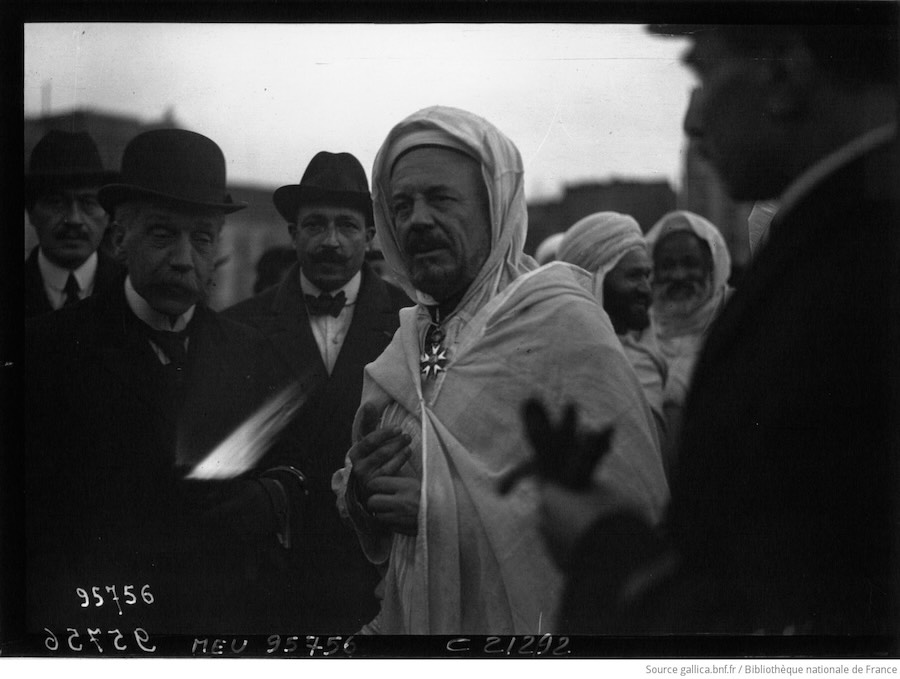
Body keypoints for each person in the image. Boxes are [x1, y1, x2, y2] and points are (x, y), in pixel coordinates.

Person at [530, 21, 899, 642]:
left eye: (702, 74)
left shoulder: (852, 272)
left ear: (784, 74)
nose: (692, 123)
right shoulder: (835, 246)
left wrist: (603, 543)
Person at [331, 105, 669, 635]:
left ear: (496, 207)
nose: (416, 220)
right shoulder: (406, 341)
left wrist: (441, 509)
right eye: (400, 205)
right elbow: (391, 536)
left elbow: (629, 523)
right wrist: (364, 495)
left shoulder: (563, 323)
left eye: (440, 199)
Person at [24, 129, 308, 636]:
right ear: (119, 239)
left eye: (201, 238)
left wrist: (272, 497)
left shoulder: (251, 353)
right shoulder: (48, 352)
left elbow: (293, 469)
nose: (183, 258)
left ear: (217, 247)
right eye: (161, 234)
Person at [225, 150, 409, 632]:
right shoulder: (236, 328)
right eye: (315, 225)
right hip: (273, 583)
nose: (331, 241)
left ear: (370, 236)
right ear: (292, 233)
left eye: (347, 226)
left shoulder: (411, 324)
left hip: (373, 576)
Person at [556, 211, 668, 448]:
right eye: (634, 276)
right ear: (593, 280)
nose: (646, 290)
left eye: (647, 275)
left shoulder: (646, 362)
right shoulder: (558, 362)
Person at [645, 210, 731, 452]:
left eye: (690, 263)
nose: (679, 275)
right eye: (667, 265)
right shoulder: (639, 329)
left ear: (711, 268)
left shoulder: (733, 315)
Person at [24, 130, 123, 319]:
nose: (74, 219)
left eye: (88, 203)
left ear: (107, 215)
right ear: (31, 213)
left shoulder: (133, 289)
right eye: (55, 202)